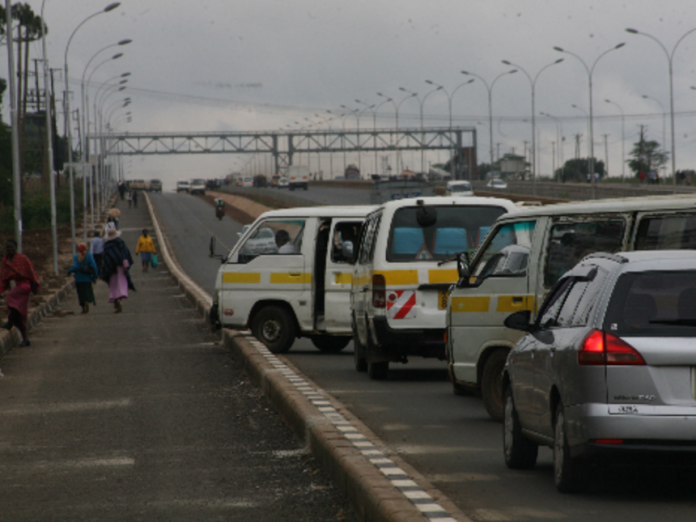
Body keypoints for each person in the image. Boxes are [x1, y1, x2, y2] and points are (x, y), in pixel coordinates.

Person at [0, 239, 40, 347]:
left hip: (25, 286)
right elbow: (3, 278)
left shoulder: (23, 259)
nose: (10, 249)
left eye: (12, 247)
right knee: (19, 315)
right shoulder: (5, 262)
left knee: (10, 296)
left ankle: (9, 322)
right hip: (17, 285)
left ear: (16, 248)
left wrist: (35, 285)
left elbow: (32, 272)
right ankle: (25, 338)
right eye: (8, 247)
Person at [100, 228, 135, 313]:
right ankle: (120, 299)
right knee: (121, 283)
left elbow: (105, 258)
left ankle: (116, 300)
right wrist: (126, 266)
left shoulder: (107, 245)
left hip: (111, 268)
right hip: (121, 267)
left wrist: (105, 269)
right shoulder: (120, 243)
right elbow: (124, 254)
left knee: (113, 284)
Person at [68, 244, 99, 314]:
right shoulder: (89, 256)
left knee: (81, 294)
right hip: (88, 279)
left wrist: (69, 271)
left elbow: (75, 267)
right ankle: (87, 300)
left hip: (79, 279)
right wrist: (94, 277)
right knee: (87, 292)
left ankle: (83, 306)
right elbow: (94, 267)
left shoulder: (76, 256)